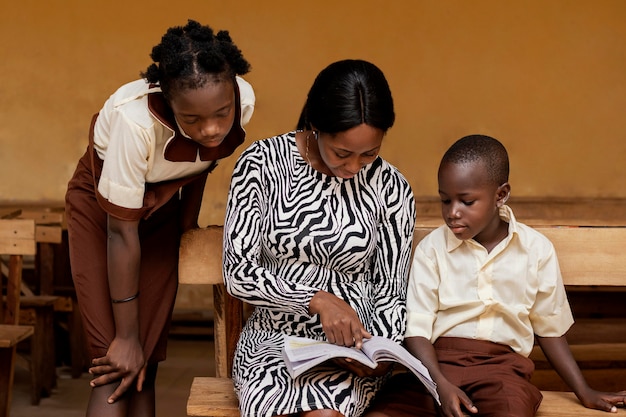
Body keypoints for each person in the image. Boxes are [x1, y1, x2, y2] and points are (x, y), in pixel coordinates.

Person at [65, 20, 255, 417]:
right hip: (106, 217)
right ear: (168, 104)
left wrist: (184, 227)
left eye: (222, 113)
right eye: (193, 121)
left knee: (144, 364)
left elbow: (205, 162)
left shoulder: (241, 99)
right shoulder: (134, 123)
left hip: (160, 210)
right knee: (115, 363)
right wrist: (128, 336)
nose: (213, 128)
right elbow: (121, 232)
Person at [365, 134, 626, 417]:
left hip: (503, 370)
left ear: (500, 195)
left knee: (511, 408)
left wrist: (584, 391)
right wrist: (439, 384)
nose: (452, 212)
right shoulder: (432, 249)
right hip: (436, 366)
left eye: (466, 201)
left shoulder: (535, 250)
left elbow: (550, 331)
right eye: (445, 200)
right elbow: (416, 331)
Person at [222, 59, 416, 417]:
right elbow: (239, 272)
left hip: (355, 351)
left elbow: (391, 289)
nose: (354, 167)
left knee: (327, 414)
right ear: (315, 124)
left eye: (369, 155)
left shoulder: (391, 188)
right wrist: (316, 300)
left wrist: (381, 354)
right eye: (342, 153)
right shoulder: (262, 165)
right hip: (273, 340)